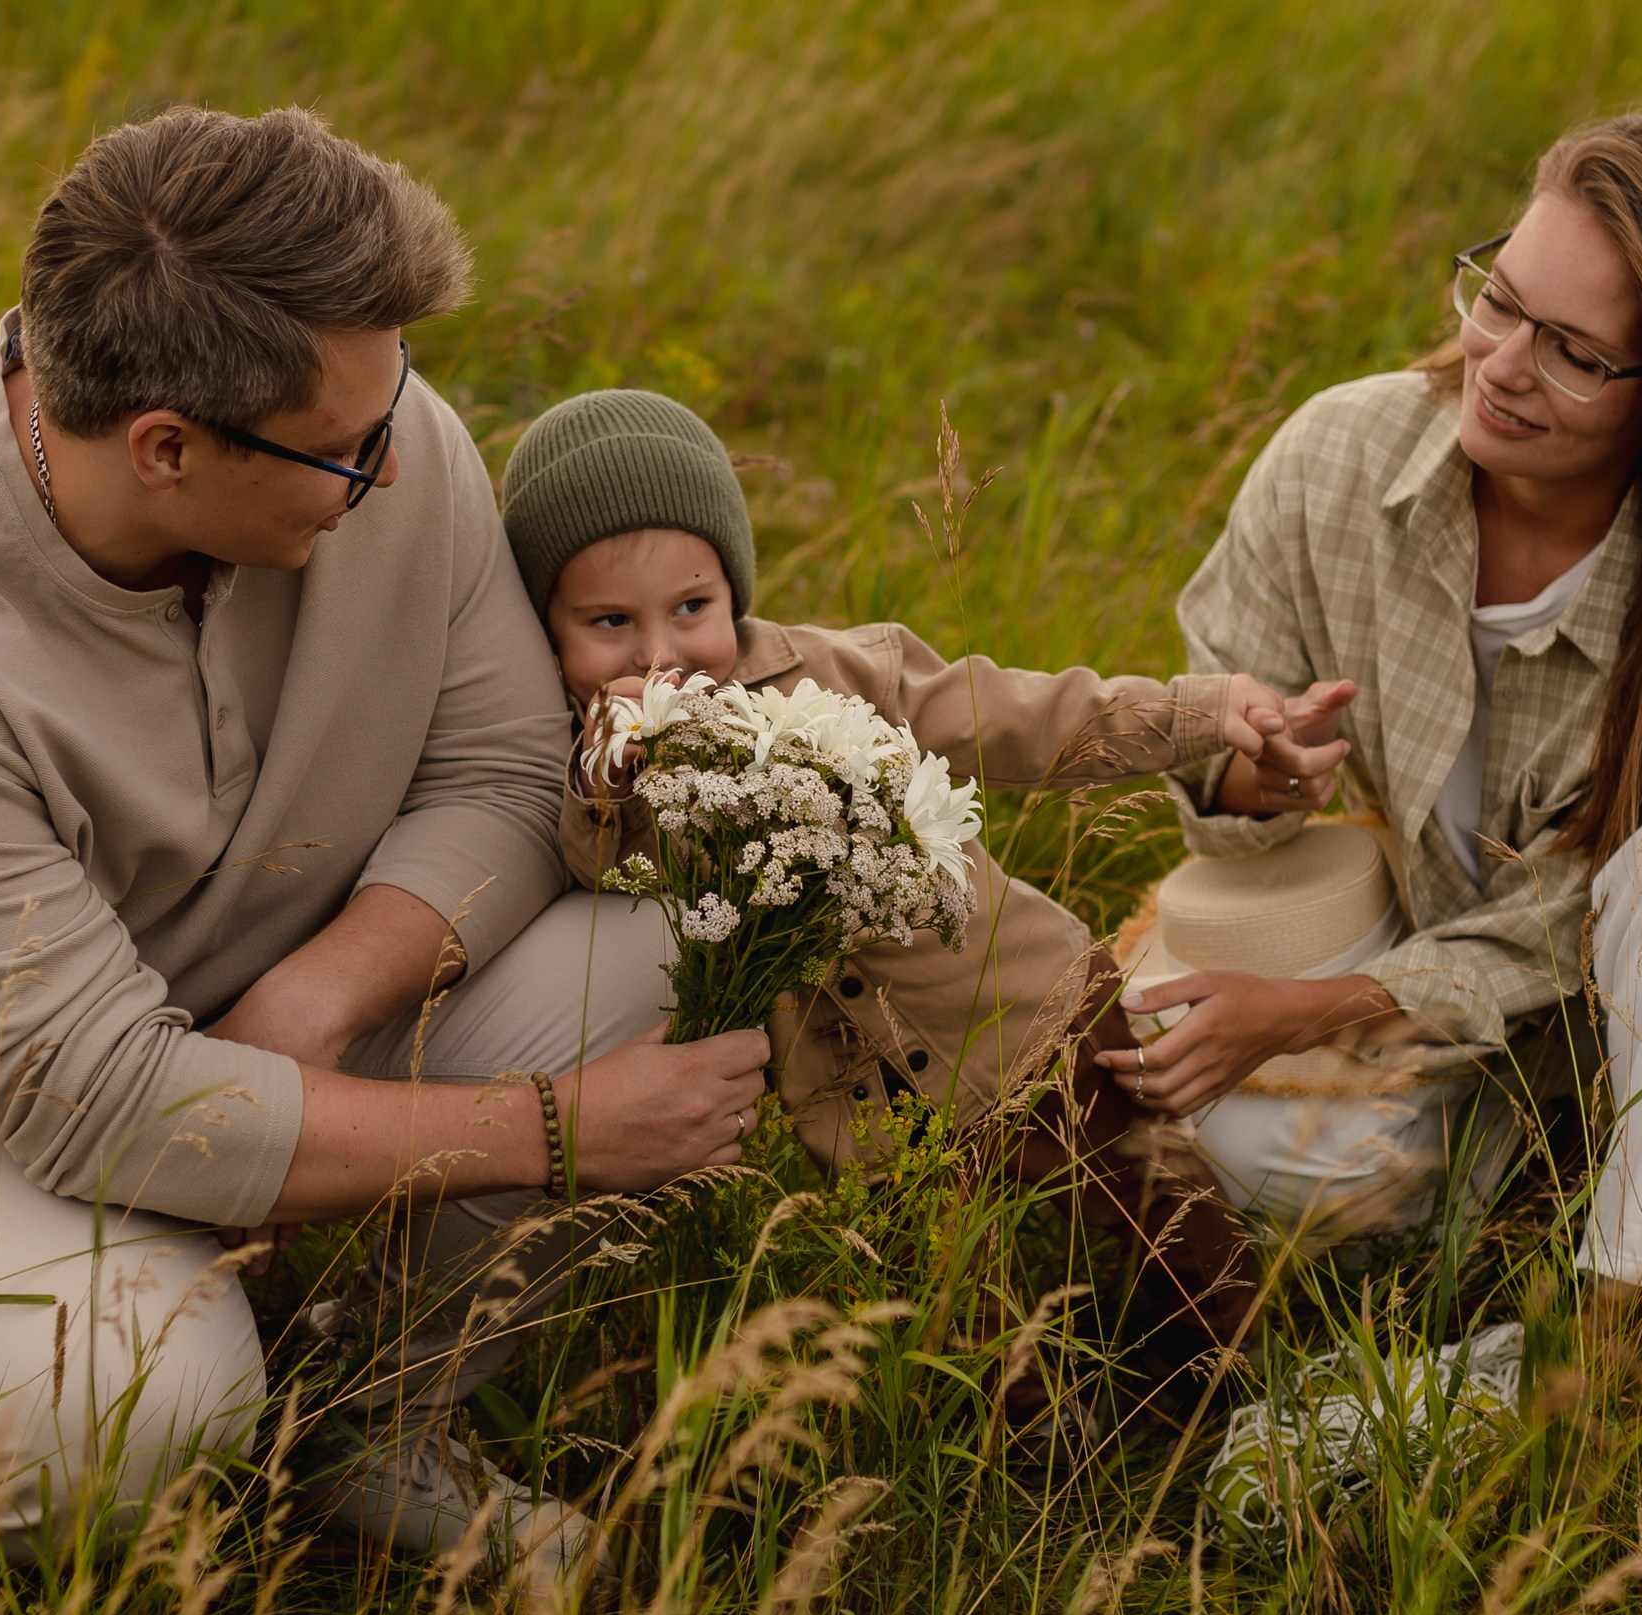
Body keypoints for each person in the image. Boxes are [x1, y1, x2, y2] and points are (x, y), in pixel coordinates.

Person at [0, 108, 769, 1573]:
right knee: (117, 1415)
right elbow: (94, 1095)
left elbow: (506, 771)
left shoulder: (374, 431)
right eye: (343, 452)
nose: (399, 459)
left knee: (666, 930)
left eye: (394, 406)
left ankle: (374, 1419)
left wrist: (317, 1000)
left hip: (267, 993)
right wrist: (550, 1132)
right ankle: (47, 1365)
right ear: (167, 446)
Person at [1100, 111, 1642, 1293]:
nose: (1499, 365)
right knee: (1191, 1126)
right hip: (1448, 1004)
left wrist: (1313, 1008)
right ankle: (1496, 1213)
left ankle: (1634, 1299)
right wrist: (1252, 775)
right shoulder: (1333, 458)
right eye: (1497, 299)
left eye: (1574, 354)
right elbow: (1225, 758)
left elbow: (1578, 910)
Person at [497, 389, 1345, 1365]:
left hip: (1024, 1007)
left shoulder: (843, 673)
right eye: (608, 622)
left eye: (692, 608)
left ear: (733, 589)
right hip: (868, 1108)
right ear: (549, 635)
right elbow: (610, 874)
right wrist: (607, 779)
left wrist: (1197, 715)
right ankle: (1031, 1454)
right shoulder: (608, 767)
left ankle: (1247, 1374)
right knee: (953, 1311)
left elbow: (1025, 718)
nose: (660, 655)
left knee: (1152, 1192)